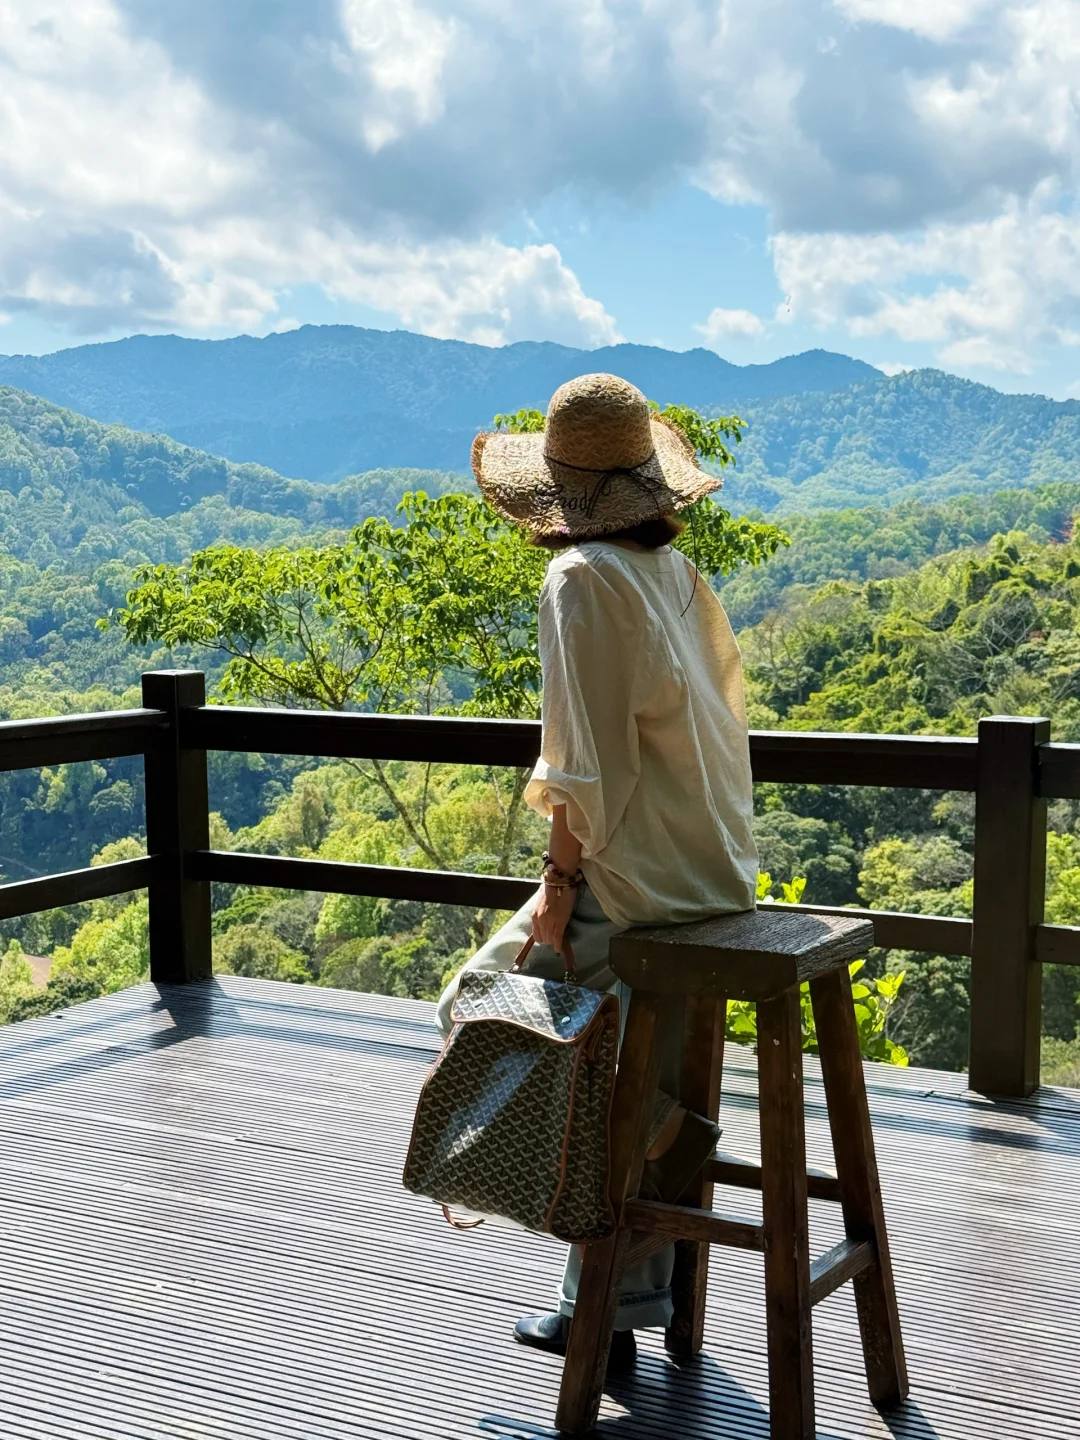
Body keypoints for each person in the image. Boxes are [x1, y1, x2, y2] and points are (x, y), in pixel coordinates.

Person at [434, 372, 758, 1369]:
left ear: (558, 497)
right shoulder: (674, 578)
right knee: (617, 1049)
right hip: (715, 872)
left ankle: (665, 1139)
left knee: (483, 1002)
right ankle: (615, 1296)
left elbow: (585, 773)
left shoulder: (579, 581)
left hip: (639, 881)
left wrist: (557, 896)